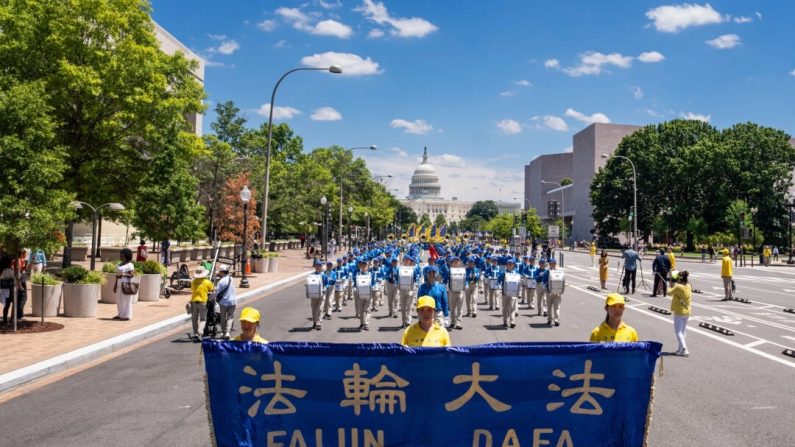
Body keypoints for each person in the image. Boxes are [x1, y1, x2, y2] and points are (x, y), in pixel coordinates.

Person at [668, 270, 692, 356]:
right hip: (687, 311)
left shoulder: (678, 287)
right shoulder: (689, 286)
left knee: (678, 332)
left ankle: (685, 348)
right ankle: (680, 349)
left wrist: (670, 286)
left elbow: (669, 293)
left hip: (679, 311)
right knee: (683, 331)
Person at [189, 266, 214, 341]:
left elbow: (193, 290)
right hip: (203, 301)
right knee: (203, 319)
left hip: (193, 301)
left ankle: (196, 333)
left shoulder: (193, 282)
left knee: (194, 319)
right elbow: (212, 290)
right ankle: (199, 332)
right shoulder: (207, 282)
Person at [497, 258, 521, 328]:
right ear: (506, 265)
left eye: (511, 264)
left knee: (512, 307)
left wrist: (518, 292)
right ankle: (505, 321)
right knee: (505, 308)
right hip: (505, 293)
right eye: (508, 264)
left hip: (513, 293)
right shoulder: (503, 273)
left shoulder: (516, 273)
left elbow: (519, 282)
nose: (509, 265)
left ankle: (512, 321)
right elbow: (498, 280)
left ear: (513, 265)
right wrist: (498, 285)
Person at [113, 248, 136, 321]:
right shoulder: (120, 264)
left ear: (126, 256)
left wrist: (123, 275)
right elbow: (117, 275)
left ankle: (126, 316)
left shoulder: (130, 265)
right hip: (119, 282)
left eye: (122, 256)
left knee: (125, 300)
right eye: (120, 255)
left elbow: (132, 275)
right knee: (119, 300)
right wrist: (115, 285)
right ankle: (120, 314)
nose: (120, 257)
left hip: (125, 283)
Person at [215, 264, 237, 340]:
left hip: (224, 302)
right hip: (233, 301)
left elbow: (217, 292)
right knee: (230, 317)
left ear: (222, 272)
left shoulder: (220, 282)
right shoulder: (232, 279)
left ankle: (224, 332)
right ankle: (227, 332)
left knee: (223, 317)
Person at [545, 258, 565, 326]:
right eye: (551, 263)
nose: (552, 265)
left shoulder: (560, 272)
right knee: (549, 306)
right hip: (549, 292)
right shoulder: (547, 272)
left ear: (555, 264)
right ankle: (550, 319)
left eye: (553, 263)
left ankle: (556, 320)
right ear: (549, 264)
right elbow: (544, 281)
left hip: (557, 292)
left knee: (557, 307)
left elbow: (562, 281)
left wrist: (562, 290)